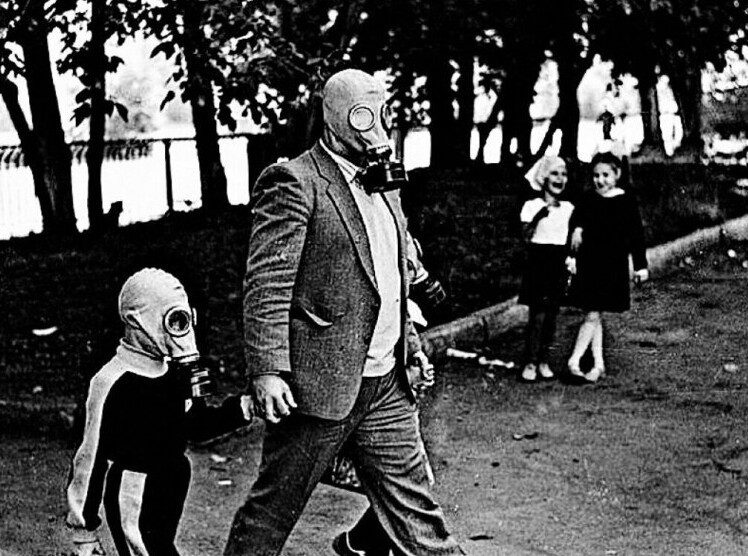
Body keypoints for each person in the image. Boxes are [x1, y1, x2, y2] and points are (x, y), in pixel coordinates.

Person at [224, 68, 463, 556]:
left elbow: (391, 278)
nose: (377, 127)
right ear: (333, 119)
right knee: (272, 512)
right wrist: (268, 371)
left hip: (385, 384)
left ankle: (360, 547)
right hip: (320, 384)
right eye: (362, 115)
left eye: (382, 112)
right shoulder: (295, 181)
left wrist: (411, 345)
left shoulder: (386, 183)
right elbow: (267, 284)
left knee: (419, 515)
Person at [64, 268, 252, 556]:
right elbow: (90, 457)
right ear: (136, 320)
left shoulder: (176, 373)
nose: (179, 329)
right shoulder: (110, 380)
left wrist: (241, 409)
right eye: (172, 319)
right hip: (133, 491)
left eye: (183, 319)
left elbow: (195, 426)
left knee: (160, 545)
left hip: (170, 483)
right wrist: (83, 530)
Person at [566, 152, 649, 383]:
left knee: (593, 313)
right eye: (596, 175)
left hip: (612, 265)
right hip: (589, 263)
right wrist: (577, 230)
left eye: (605, 175)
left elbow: (636, 235)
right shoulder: (588, 199)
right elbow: (576, 219)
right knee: (594, 314)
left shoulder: (625, 201)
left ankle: (575, 360)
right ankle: (598, 364)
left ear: (617, 174)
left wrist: (640, 265)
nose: (599, 180)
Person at [517, 156, 575, 383]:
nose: (560, 179)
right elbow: (525, 236)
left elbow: (572, 237)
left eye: (564, 174)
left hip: (558, 263)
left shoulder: (568, 209)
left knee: (552, 315)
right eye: (555, 174)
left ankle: (543, 360)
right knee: (538, 315)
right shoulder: (532, 206)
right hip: (538, 263)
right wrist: (539, 216)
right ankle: (530, 361)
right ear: (544, 177)